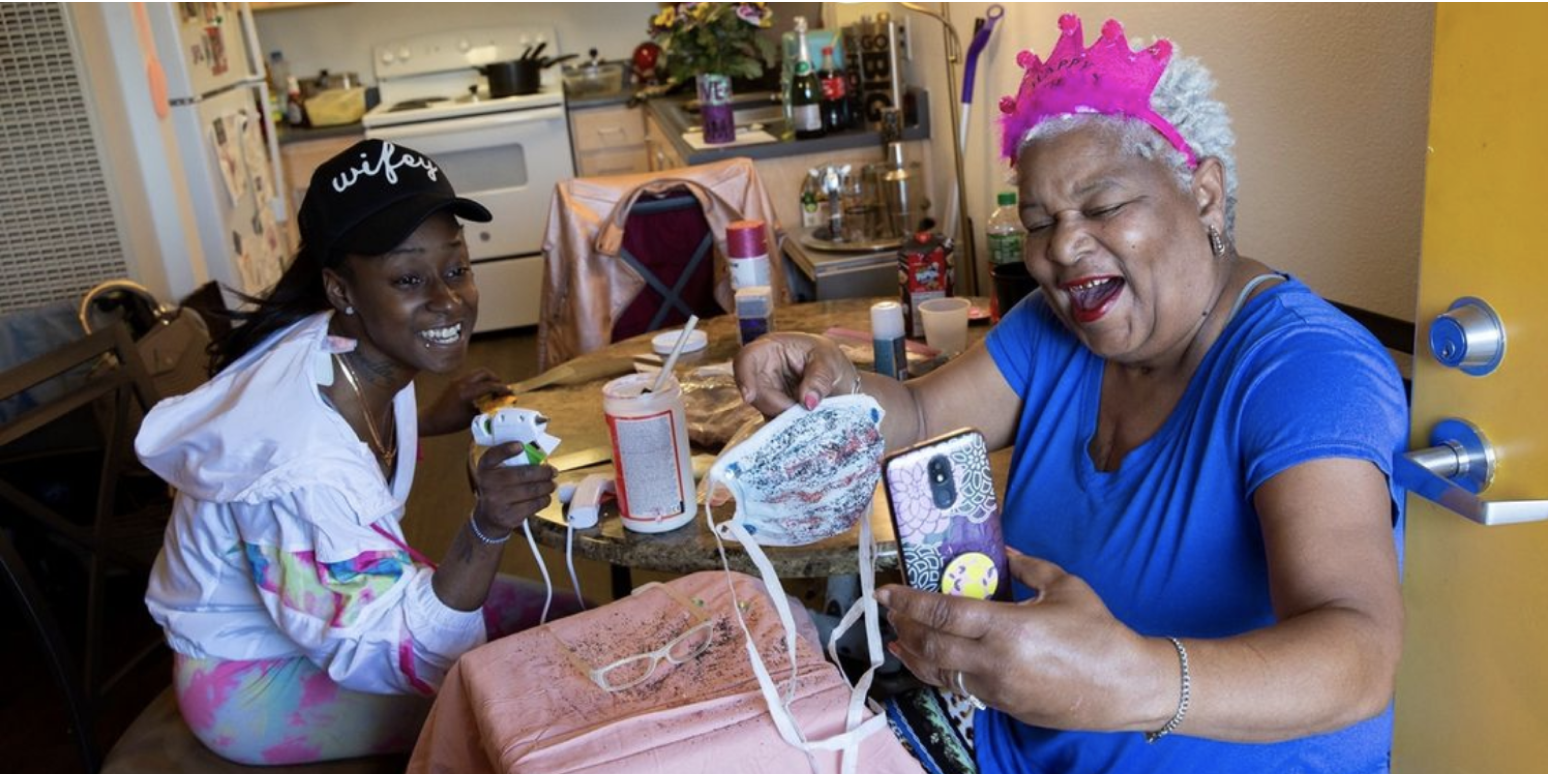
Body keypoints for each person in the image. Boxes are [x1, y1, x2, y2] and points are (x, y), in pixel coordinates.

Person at [734, 15, 1408, 774]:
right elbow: (920, 415)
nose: (1060, 246)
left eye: (1103, 205)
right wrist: (839, 386)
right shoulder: (1057, 329)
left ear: (1206, 195)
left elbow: (1358, 653)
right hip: (1007, 751)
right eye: (1038, 222)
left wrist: (1138, 682)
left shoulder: (1304, 371)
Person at [136, 139, 576, 765]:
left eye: (456, 269)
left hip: (325, 615)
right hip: (255, 682)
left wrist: (430, 419)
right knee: (531, 696)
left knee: (577, 624)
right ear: (341, 289)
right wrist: (485, 526)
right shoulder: (298, 464)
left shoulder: (334, 347)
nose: (448, 300)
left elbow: (352, 442)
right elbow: (394, 653)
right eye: (407, 279)